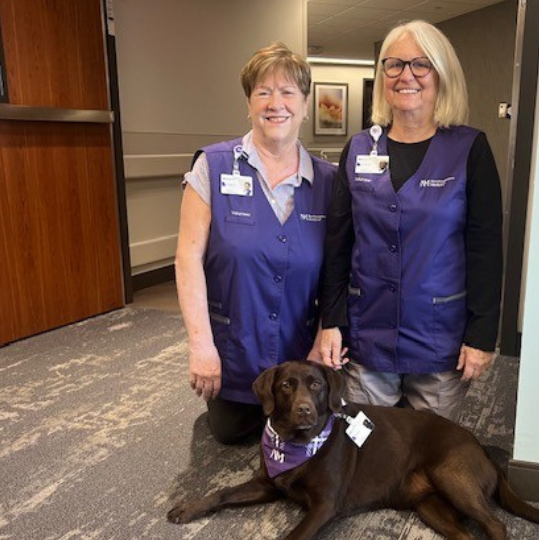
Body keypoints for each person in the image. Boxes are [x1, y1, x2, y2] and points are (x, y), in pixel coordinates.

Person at [318, 21, 503, 422]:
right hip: (367, 332)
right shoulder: (358, 148)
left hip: (439, 334)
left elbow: (486, 248)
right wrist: (330, 321)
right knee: (363, 444)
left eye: (421, 65)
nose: (406, 76)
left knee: (432, 451)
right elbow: (338, 243)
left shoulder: (470, 149)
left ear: (442, 74)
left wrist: (482, 335)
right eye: (395, 64)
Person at [176, 43, 336, 444]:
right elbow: (187, 258)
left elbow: (339, 271)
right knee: (231, 434)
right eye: (263, 92)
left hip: (300, 358)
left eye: (287, 93)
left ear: (304, 104)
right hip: (235, 350)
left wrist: (321, 343)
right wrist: (201, 346)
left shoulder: (330, 182)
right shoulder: (211, 167)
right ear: (248, 103)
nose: (275, 104)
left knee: (309, 432)